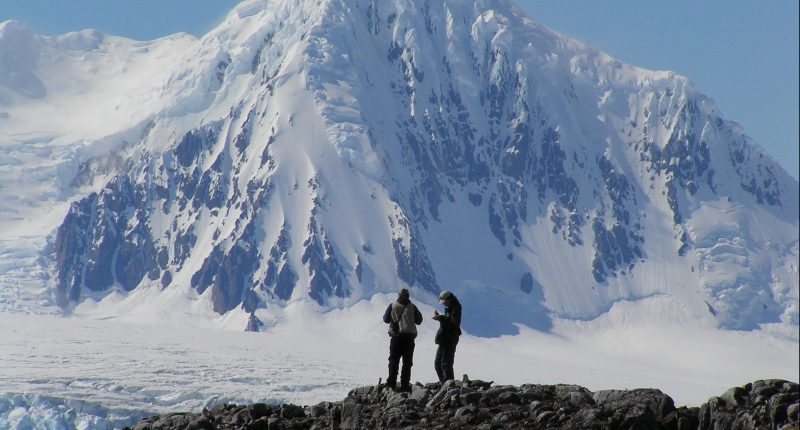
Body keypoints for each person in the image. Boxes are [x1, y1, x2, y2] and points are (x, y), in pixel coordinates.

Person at [382, 288, 423, 392]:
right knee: (407, 362)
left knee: (393, 360)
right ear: (408, 296)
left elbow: (386, 319)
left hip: (396, 337)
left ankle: (391, 383)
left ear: (398, 295)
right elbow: (419, 321)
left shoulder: (393, 305)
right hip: (409, 338)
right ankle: (405, 384)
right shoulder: (412, 307)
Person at [432, 290, 461, 383]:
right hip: (444, 339)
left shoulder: (456, 308)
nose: (444, 304)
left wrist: (441, 318)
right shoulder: (450, 309)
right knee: (438, 363)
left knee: (446, 363)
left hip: (450, 338)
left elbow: (453, 324)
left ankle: (449, 384)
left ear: (450, 299)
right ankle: (444, 383)